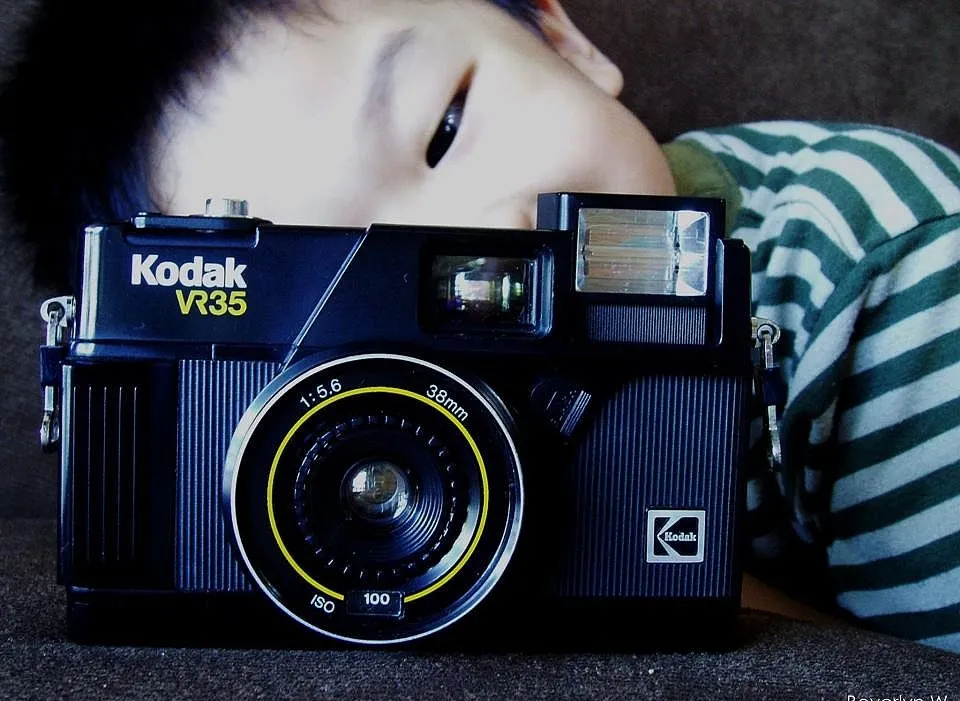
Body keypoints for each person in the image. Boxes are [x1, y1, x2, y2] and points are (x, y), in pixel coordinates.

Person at [1, 0, 958, 652]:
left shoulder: (886, 263)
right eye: (332, 281)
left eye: (445, 130)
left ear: (562, 37)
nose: (476, 240)